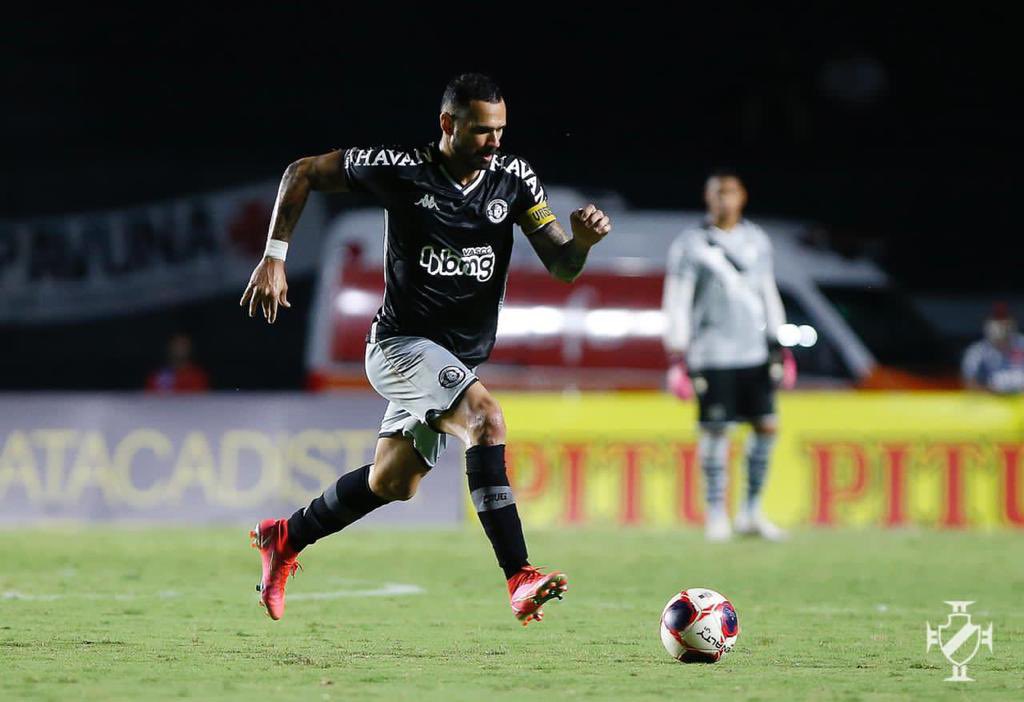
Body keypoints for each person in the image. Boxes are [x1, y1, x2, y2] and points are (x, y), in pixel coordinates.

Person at [239, 73, 611, 624]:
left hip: (451, 362)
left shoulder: (515, 179)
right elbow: (303, 172)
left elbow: (561, 264)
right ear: (447, 124)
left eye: (500, 130)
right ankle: (519, 575)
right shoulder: (402, 169)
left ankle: (286, 537)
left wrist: (580, 242)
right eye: (482, 131)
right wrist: (274, 256)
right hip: (401, 347)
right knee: (486, 419)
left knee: (394, 481)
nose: (494, 142)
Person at [662, 171, 793, 542]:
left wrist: (778, 339)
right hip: (712, 352)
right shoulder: (692, 244)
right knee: (716, 432)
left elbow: (767, 289)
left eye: (730, 192)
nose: (724, 199)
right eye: (717, 193)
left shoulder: (757, 240)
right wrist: (677, 349)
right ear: (708, 198)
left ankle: (751, 511)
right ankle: (716, 513)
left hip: (754, 351)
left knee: (767, 426)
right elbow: (678, 296)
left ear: (742, 196)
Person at [961, 303, 1024, 394]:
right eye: (997, 322)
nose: (1001, 327)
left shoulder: (1022, 343)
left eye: (1004, 321)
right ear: (988, 325)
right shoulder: (977, 351)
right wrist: (990, 392)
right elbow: (969, 381)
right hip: (991, 399)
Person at [145, 333, 209, 393]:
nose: (179, 349)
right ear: (170, 347)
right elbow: (149, 397)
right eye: (176, 345)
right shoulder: (158, 376)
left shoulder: (197, 376)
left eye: (183, 345)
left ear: (189, 348)